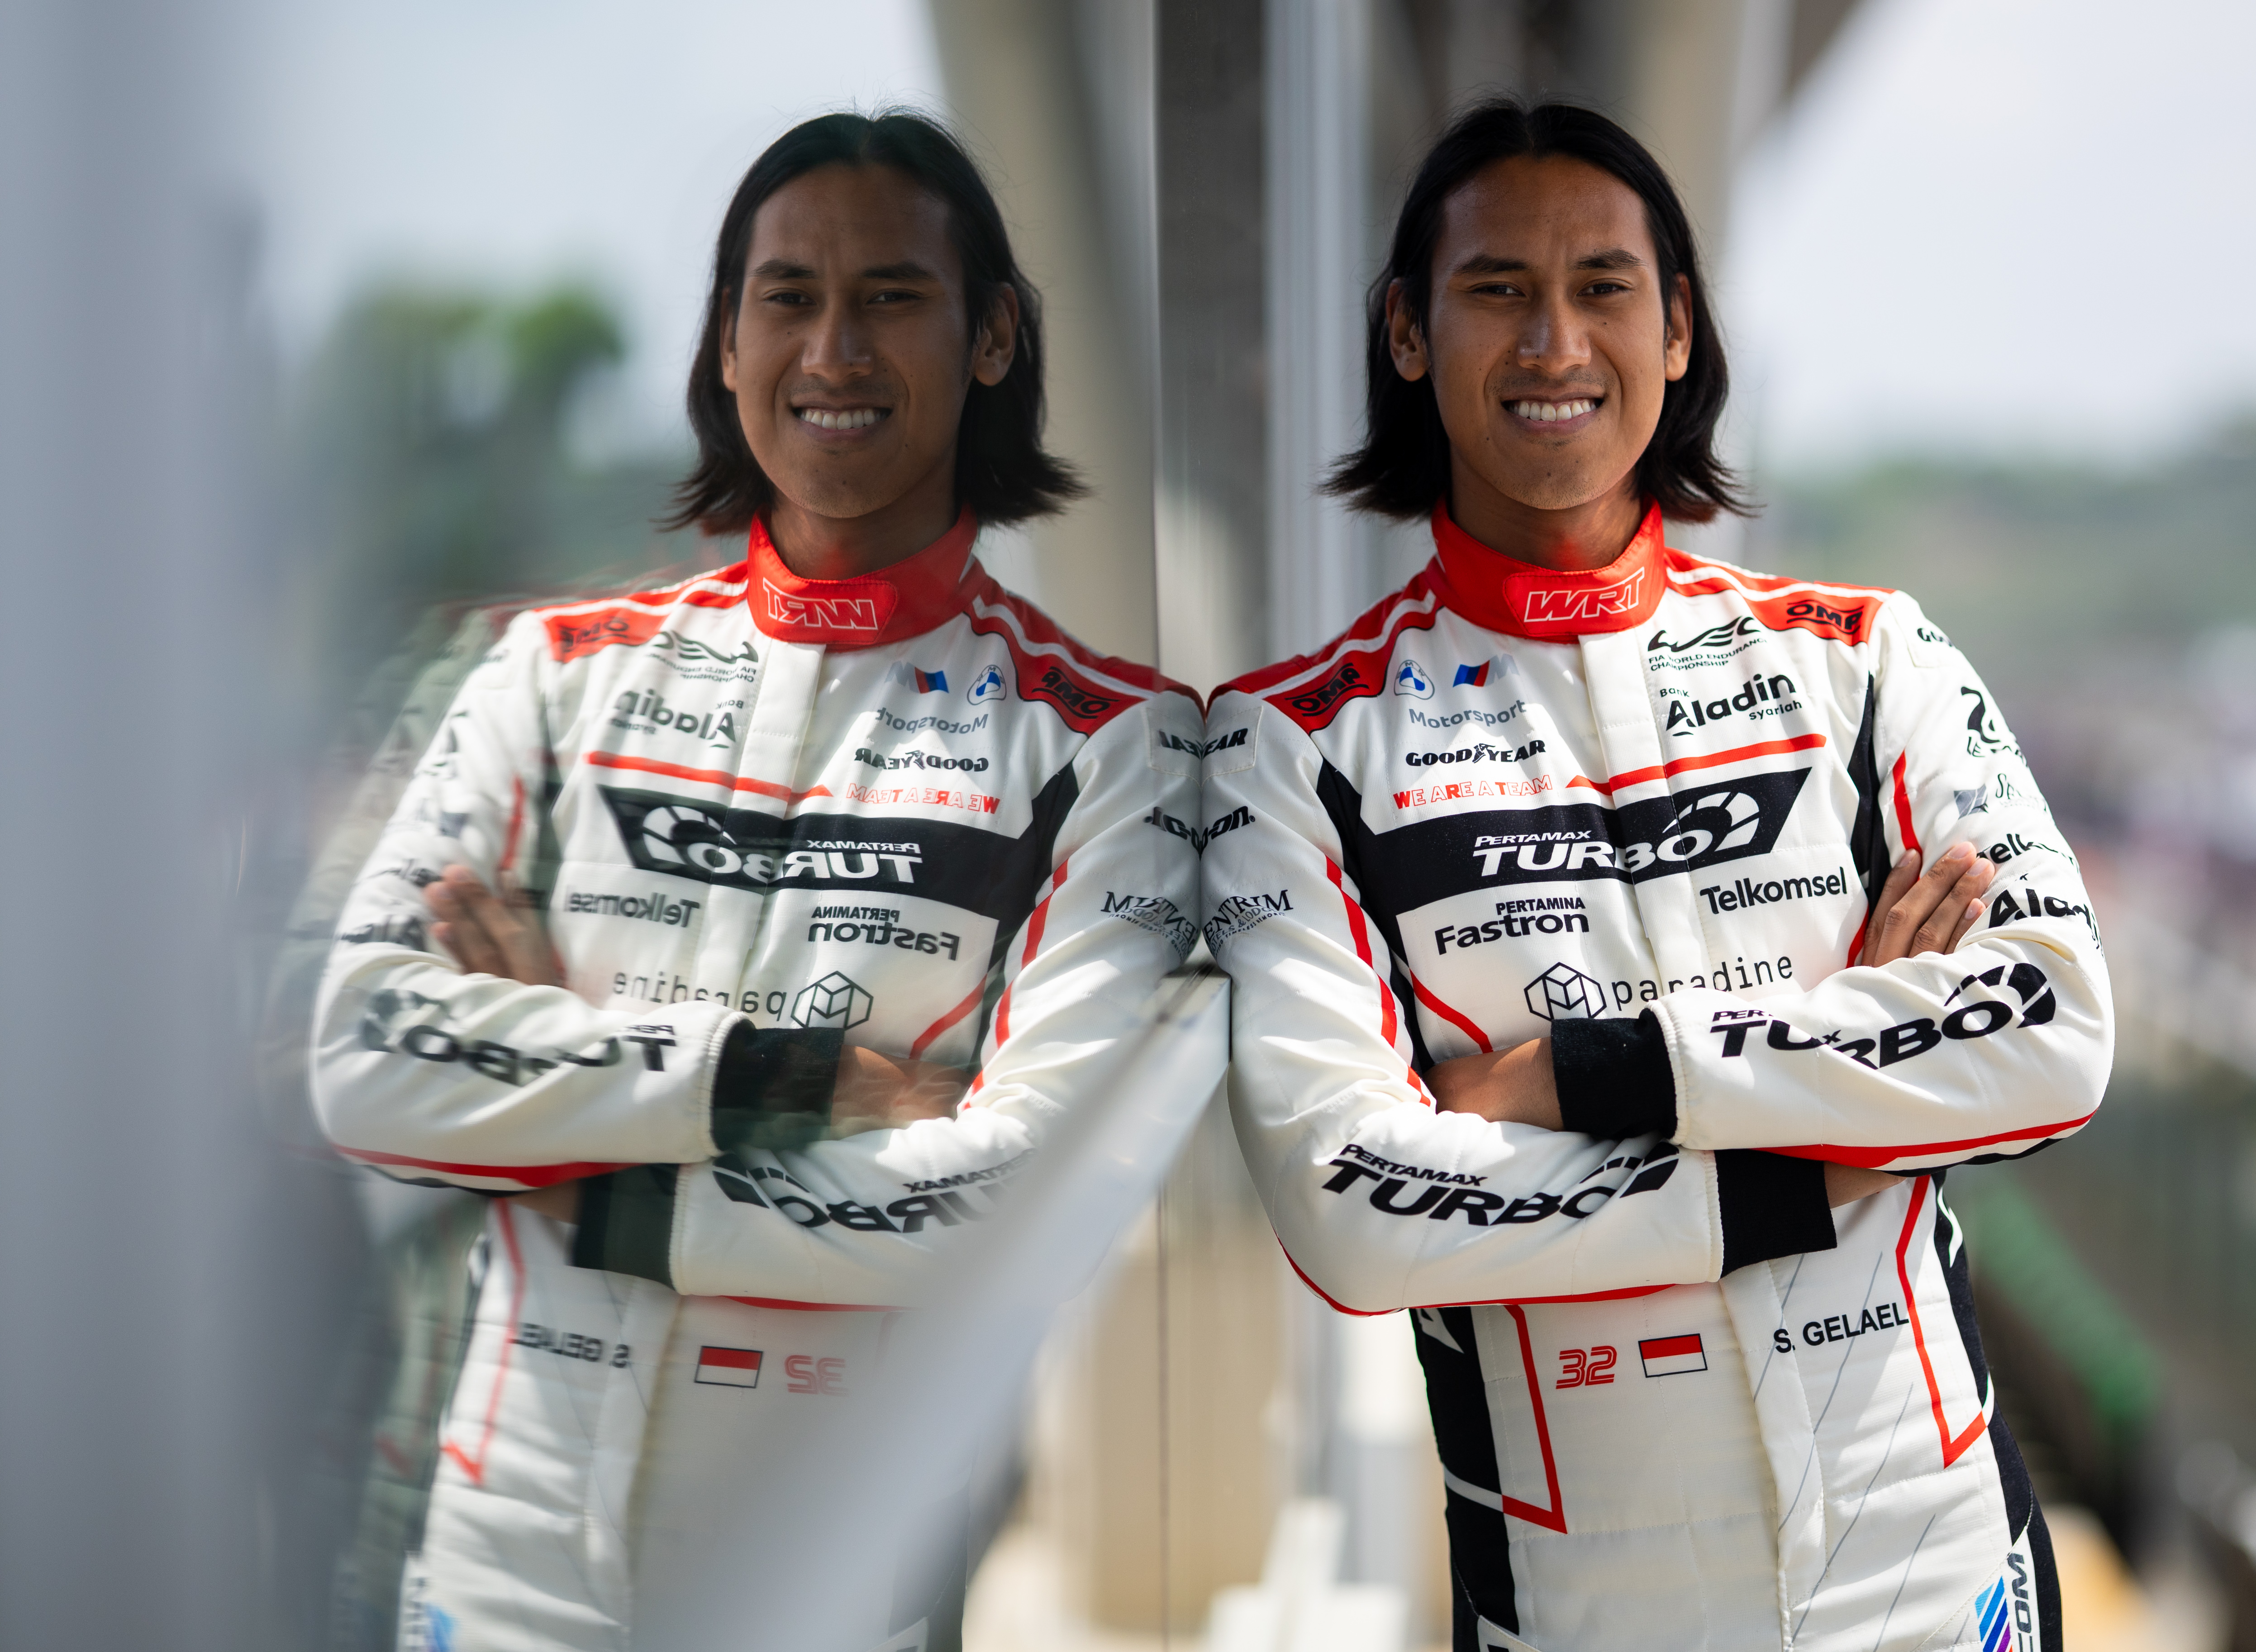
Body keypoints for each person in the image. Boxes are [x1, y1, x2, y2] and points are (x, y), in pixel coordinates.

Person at [1202, 100, 2108, 1652]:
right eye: (1496, 288)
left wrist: (1577, 1076)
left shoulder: (1862, 661)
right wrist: (1828, 1129)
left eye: (1602, 286)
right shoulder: (1287, 743)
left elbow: (2054, 1030)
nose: (1553, 341)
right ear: (1408, 332)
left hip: (1942, 1569)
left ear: (1676, 328)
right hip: (1583, 1607)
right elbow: (1352, 1199)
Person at [312, 111, 1204, 1652]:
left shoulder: (1113, 742)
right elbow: (363, 1057)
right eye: (787, 297)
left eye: (891, 297)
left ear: (992, 335)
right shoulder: (556, 676)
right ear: (728, 344)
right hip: (500, 1560)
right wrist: (792, 1082)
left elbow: (1012, 1207)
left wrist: (558, 1129)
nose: (832, 350)